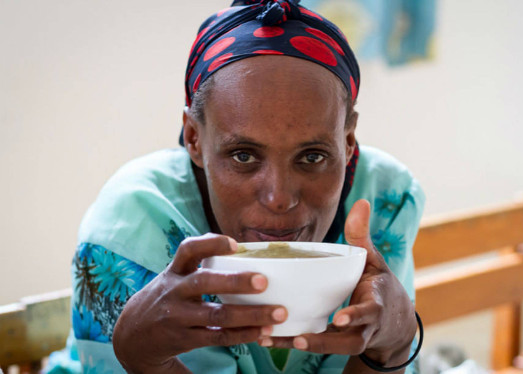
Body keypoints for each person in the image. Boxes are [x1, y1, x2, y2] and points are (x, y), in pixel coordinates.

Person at [46, 0, 425, 373]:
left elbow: (387, 347)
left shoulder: (385, 199)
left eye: (311, 157)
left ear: (347, 140)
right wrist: (143, 361)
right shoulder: (130, 227)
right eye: (243, 156)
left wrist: (391, 348)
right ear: (194, 138)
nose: (279, 198)